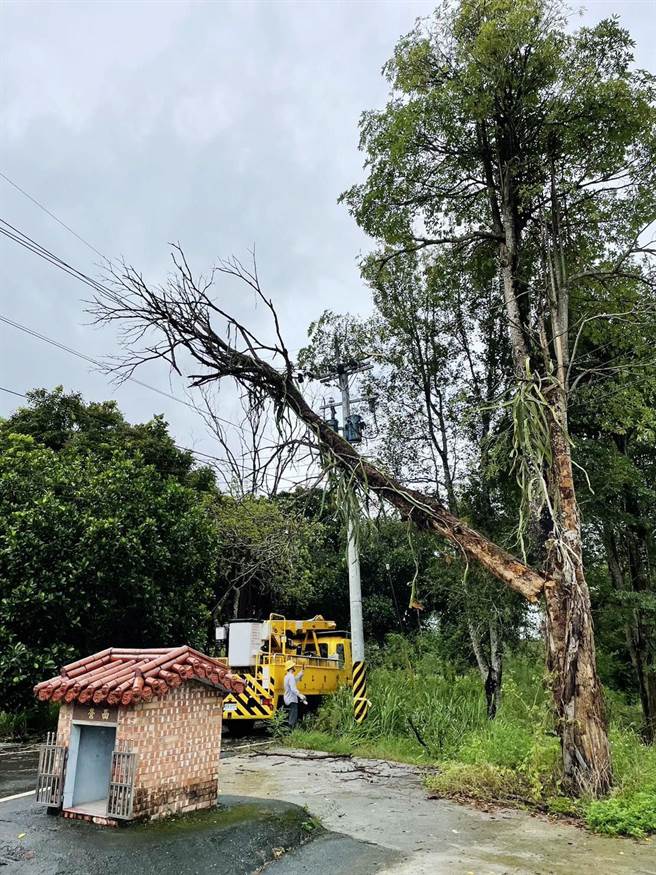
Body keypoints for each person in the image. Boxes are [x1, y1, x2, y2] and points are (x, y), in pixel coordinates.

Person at [283, 659, 307, 729]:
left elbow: (295, 680)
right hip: (292, 699)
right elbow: (293, 688)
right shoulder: (290, 676)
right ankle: (291, 732)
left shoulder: (287, 676)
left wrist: (302, 671)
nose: (295, 667)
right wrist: (300, 695)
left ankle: (290, 731)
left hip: (288, 698)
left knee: (291, 715)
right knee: (293, 717)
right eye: (293, 666)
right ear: (291, 668)